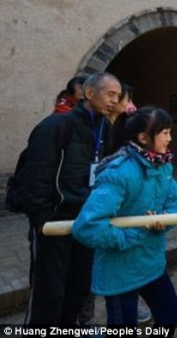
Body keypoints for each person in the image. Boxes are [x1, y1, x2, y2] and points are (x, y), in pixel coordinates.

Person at [17, 72, 121, 325]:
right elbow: (36, 174)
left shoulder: (104, 128)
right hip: (54, 223)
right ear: (89, 93)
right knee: (48, 294)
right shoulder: (56, 125)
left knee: (78, 288)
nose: (115, 101)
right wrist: (42, 220)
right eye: (110, 94)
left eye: (118, 96)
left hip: (86, 222)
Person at [72, 107, 177, 332]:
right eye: (164, 133)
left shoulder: (164, 165)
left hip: (151, 262)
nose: (170, 138)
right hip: (119, 270)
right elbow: (87, 226)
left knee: (171, 314)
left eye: (170, 132)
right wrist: (136, 233)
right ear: (143, 138)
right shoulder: (120, 173)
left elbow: (173, 205)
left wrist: (164, 221)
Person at [78, 82, 139, 326]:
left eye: (122, 97)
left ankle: (123, 307)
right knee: (90, 259)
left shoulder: (122, 127)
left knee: (110, 259)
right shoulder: (95, 127)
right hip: (92, 202)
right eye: (126, 99)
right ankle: (85, 315)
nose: (128, 105)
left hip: (114, 202)